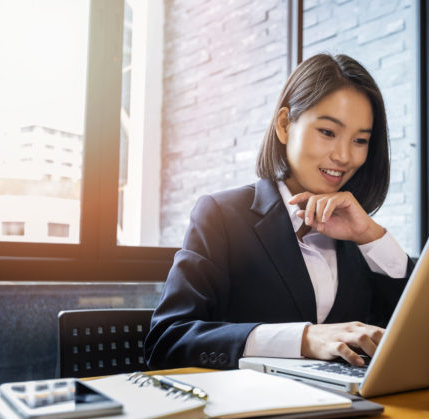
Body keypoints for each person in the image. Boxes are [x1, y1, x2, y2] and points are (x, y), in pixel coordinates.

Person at [145, 53, 413, 371]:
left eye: (359, 140)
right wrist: (303, 339)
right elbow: (167, 341)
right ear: (284, 125)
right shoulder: (222, 216)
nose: (343, 156)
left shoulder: (361, 239)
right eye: (327, 132)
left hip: (349, 412)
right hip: (251, 411)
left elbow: (415, 333)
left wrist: (371, 236)